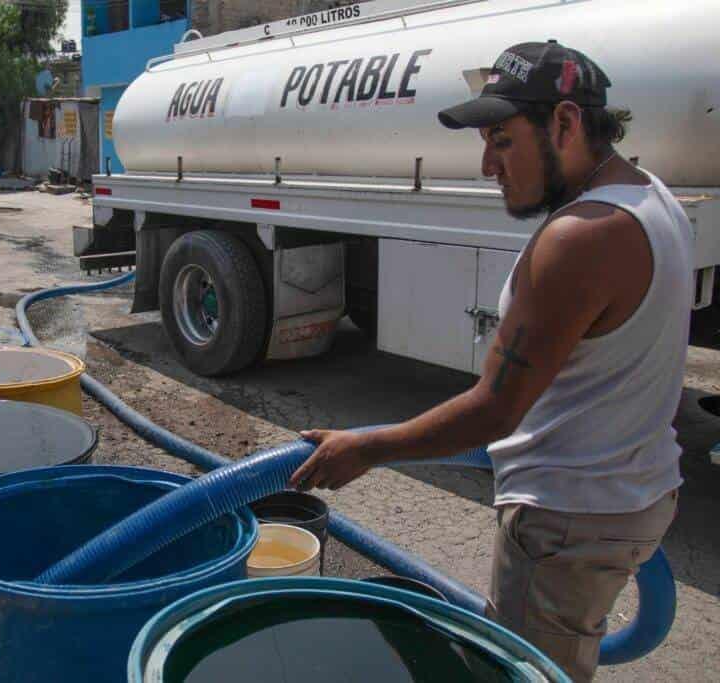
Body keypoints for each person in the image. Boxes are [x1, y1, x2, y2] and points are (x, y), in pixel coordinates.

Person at [290, 41, 689, 682]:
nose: (485, 166)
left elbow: (495, 409)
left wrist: (363, 446)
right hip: (625, 497)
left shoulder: (581, 238)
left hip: (567, 519)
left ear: (564, 123)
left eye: (501, 140)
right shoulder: (652, 197)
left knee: (525, 674)